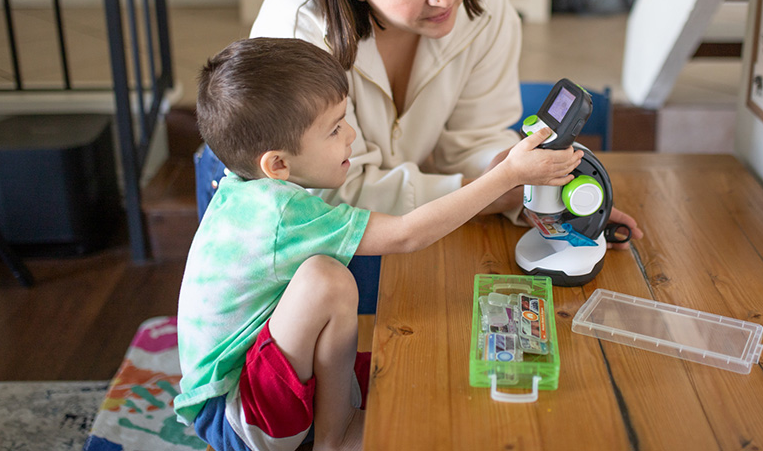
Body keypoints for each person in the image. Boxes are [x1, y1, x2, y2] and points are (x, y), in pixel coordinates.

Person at [174, 37, 582, 451]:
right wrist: (506, 176)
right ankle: (335, 434)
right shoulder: (278, 213)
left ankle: (337, 419)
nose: (350, 135)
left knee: (402, 366)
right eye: (334, 129)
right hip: (238, 417)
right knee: (325, 279)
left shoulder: (243, 188)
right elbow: (407, 234)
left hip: (237, 390)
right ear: (277, 164)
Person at [246, 0, 641, 247]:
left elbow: (474, 136)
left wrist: (531, 192)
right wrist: (492, 190)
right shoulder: (297, 32)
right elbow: (333, 194)